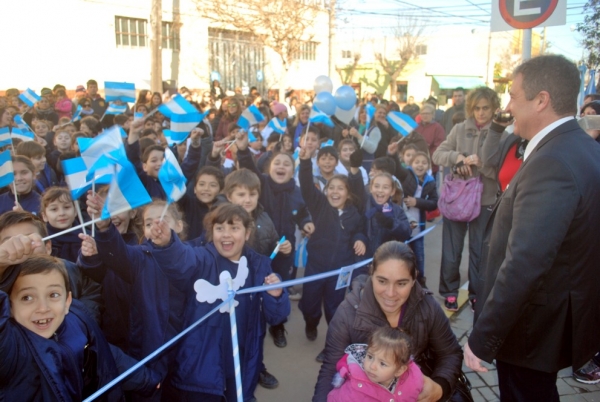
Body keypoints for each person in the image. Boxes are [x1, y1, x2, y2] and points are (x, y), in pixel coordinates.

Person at [464, 55, 600, 401]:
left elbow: (525, 262)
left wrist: (482, 339)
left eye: (513, 95)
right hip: (553, 318)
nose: (507, 105)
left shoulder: (551, 162)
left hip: (531, 328)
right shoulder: (583, 146)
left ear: (541, 100)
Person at [313, 241, 463, 401]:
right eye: (382, 281)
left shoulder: (428, 307)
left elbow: (450, 353)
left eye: (401, 283)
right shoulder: (347, 313)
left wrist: (440, 387)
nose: (390, 294)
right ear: (371, 273)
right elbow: (330, 370)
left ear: (414, 279)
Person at [0, 253, 160, 401]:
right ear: (9, 305)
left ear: (67, 301)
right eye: (27, 297)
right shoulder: (11, 347)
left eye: (53, 295)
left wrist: (145, 379)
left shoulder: (76, 321)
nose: (43, 308)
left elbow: (105, 354)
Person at [432, 86, 499, 312]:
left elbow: (504, 172)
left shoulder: (502, 133)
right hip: (458, 200)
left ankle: (477, 293)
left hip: (486, 200)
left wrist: (483, 166)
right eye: (477, 108)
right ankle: (449, 292)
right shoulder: (460, 129)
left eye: (486, 108)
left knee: (480, 252)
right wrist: (456, 157)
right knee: (451, 250)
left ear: (494, 108)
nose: (481, 113)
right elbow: (437, 154)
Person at [327, 327, 423, 402]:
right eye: (370, 357)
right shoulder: (354, 386)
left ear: (399, 370)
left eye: (382, 363)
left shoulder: (412, 381)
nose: (372, 366)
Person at [414, 103, 445, 178]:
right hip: (415, 163)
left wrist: (426, 157)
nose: (425, 115)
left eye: (427, 113)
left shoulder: (438, 128)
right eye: (423, 113)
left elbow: (439, 146)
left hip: (430, 165)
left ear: (433, 115)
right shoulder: (416, 127)